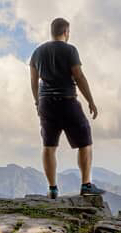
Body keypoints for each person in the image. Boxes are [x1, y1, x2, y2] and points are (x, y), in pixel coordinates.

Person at [29, 17, 105, 199]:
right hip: (67, 100)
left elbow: (33, 81)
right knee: (85, 141)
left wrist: (38, 102)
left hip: (46, 103)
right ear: (66, 32)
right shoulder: (70, 50)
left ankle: (52, 188)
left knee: (49, 145)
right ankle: (86, 185)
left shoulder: (37, 52)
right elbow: (78, 76)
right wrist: (90, 100)